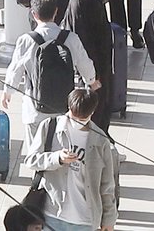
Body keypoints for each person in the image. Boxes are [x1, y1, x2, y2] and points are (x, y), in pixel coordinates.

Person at [21, 88, 118, 231]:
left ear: (92, 113)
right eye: (74, 116)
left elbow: (107, 184)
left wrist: (109, 219)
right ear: (69, 108)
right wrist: (57, 158)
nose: (78, 121)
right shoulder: (50, 126)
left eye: (83, 118)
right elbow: (31, 160)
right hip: (51, 213)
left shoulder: (101, 140)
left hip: (85, 219)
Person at [3, 0, 99, 128]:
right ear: (56, 11)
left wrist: (8, 91)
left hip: (34, 109)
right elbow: (85, 65)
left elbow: (15, 69)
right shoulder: (71, 38)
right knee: (62, 148)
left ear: (33, 14)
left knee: (34, 148)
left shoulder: (26, 40)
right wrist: (91, 81)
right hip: (64, 108)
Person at [63, 0, 114, 131]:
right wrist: (91, 75)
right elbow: (82, 39)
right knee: (95, 112)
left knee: (104, 108)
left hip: (101, 63)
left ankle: (104, 147)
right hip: (94, 67)